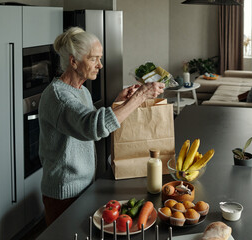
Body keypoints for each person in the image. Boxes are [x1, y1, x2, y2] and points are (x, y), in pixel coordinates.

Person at [38, 27, 165, 226]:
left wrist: (119, 103)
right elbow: (93, 128)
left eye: (100, 58)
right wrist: (141, 96)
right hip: (64, 194)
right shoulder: (58, 97)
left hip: (85, 186)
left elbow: (88, 120)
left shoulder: (81, 91)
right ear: (73, 61)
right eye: (94, 59)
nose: (100, 65)